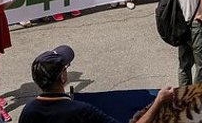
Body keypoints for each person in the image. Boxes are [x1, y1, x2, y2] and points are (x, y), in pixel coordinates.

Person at [19, 45, 175, 123]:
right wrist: (159, 101)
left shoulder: (28, 111)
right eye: (66, 68)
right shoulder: (81, 111)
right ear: (62, 77)